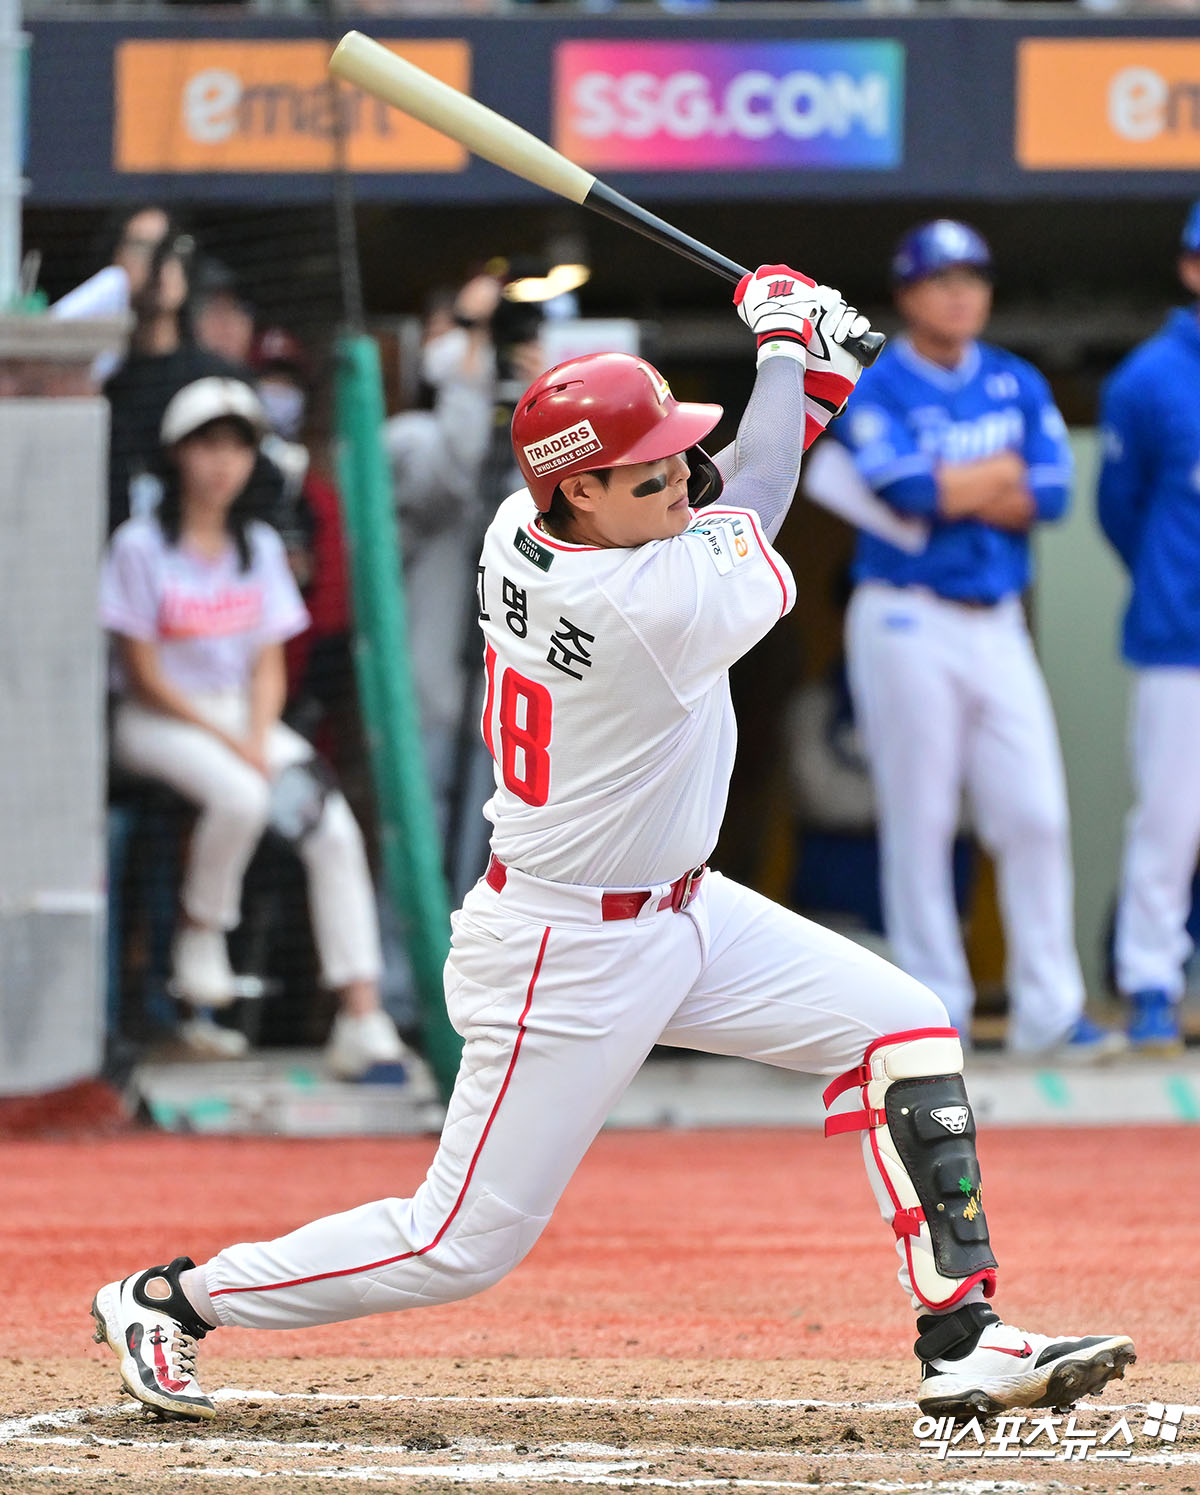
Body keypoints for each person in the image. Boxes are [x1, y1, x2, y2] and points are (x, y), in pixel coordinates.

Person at [91, 270, 1133, 1425]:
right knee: (456, 1244)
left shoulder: (527, 523)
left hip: (687, 909)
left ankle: (964, 1337)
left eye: (676, 458)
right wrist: (785, 352)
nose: (681, 481)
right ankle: (171, 1299)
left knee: (905, 1023)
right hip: (564, 949)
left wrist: (812, 381)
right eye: (649, 473)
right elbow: (757, 491)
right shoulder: (648, 604)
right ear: (581, 492)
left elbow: (723, 489)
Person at [832, 221, 1122, 1060]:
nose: (961, 294)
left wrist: (962, 485)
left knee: (1036, 814)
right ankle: (936, 1012)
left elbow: (1053, 496)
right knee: (920, 818)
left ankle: (1049, 1011)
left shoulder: (1014, 379)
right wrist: (998, 475)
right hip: (905, 614)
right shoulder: (877, 380)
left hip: (996, 619)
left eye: (974, 279)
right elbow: (909, 490)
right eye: (943, 280)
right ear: (908, 294)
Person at [99, 376, 404, 1078]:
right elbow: (141, 671)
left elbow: (268, 665)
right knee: (240, 794)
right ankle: (201, 932)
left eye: (237, 447)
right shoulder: (140, 545)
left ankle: (362, 1016)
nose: (222, 462)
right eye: (207, 444)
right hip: (155, 720)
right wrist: (232, 744)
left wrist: (257, 734)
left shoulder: (260, 544)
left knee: (331, 827)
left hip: (245, 720)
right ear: (177, 453)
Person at [1095, 199, 1200, 1055]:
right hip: (1181, 633)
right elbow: (1119, 511)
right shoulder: (1149, 377)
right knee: (1171, 820)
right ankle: (1152, 983)